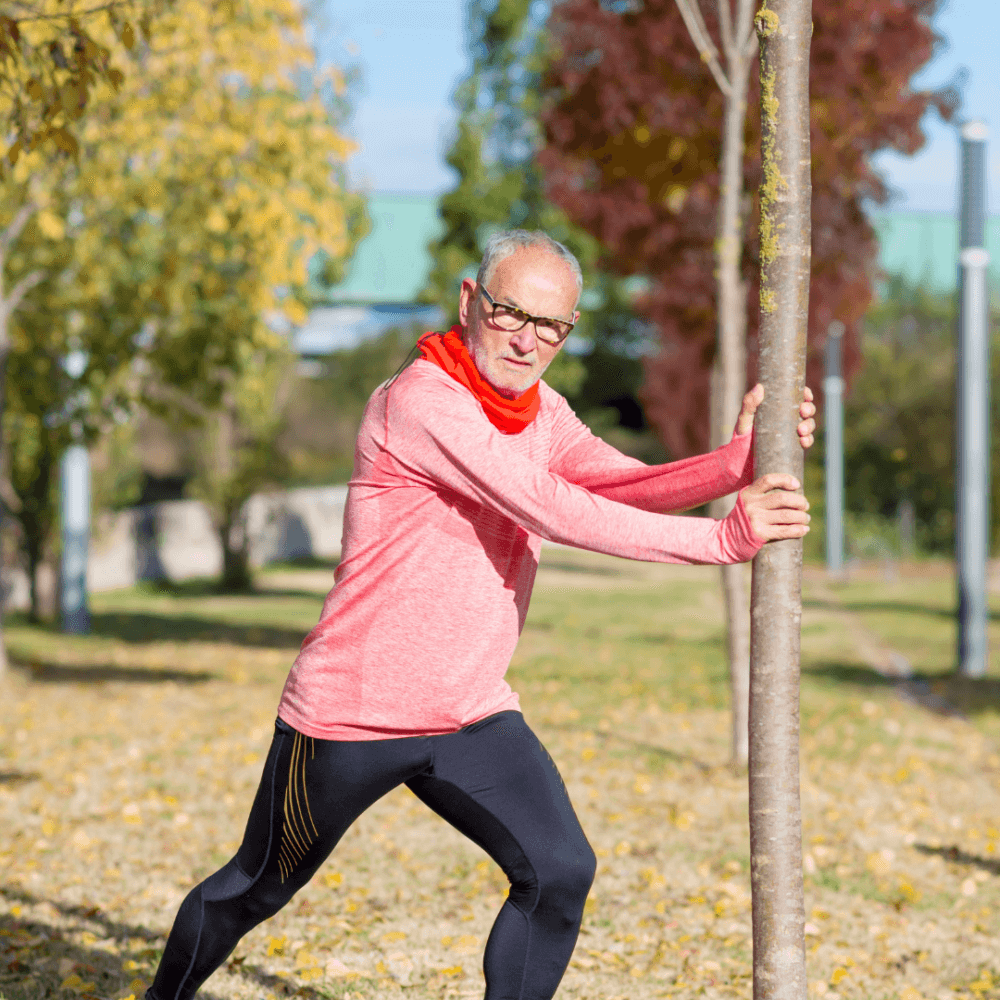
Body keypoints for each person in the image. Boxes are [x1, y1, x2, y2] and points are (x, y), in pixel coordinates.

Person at [146, 230, 815, 1000]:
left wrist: (742, 459)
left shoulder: (542, 411)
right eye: (510, 313)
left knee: (560, 872)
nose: (528, 341)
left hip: (469, 711)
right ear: (470, 300)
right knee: (252, 890)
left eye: (552, 327)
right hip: (350, 716)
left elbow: (617, 487)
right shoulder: (421, 402)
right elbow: (550, 506)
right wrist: (725, 538)